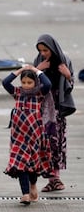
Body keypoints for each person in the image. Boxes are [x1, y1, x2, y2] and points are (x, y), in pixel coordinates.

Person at [2, 65, 55, 205]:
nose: (26, 86)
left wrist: (36, 71)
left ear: (35, 83)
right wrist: (19, 70)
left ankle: (32, 185)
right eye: (23, 82)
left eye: (29, 82)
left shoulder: (39, 93)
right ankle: (25, 194)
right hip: (18, 136)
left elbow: (48, 83)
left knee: (32, 164)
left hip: (34, 135)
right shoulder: (17, 92)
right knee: (20, 163)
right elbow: (5, 82)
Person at [34, 34, 76, 192]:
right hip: (42, 110)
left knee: (56, 143)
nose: (43, 53)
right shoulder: (38, 61)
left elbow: (69, 86)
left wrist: (67, 75)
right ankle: (50, 178)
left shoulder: (64, 60)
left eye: (46, 50)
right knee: (43, 143)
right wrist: (37, 70)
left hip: (57, 110)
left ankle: (56, 178)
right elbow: (29, 84)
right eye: (41, 50)